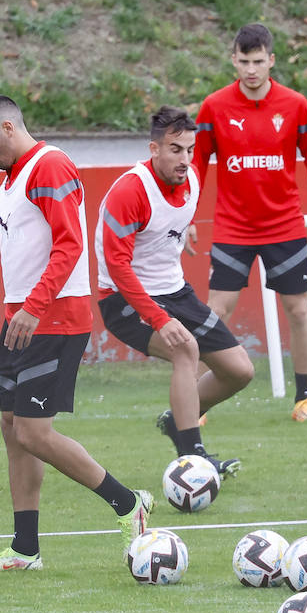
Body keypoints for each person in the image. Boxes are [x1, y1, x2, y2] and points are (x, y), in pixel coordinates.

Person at [0, 95, 154, 573]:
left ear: (8, 127)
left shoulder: (50, 167)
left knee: (33, 432)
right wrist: (19, 311)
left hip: (52, 319)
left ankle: (127, 504)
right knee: (13, 431)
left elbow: (69, 244)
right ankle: (26, 548)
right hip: (21, 318)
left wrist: (34, 305)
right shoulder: (11, 178)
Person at [191, 23, 307, 423]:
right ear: (233, 60)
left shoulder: (295, 105)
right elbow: (195, 165)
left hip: (285, 227)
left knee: (297, 310)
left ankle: (304, 400)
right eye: (244, 62)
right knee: (215, 312)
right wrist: (186, 216)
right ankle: (196, 401)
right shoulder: (213, 107)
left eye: (259, 61)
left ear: (271, 60)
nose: (251, 69)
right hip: (233, 228)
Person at [94, 107, 253, 476]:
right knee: (186, 350)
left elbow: (173, 219)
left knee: (239, 371)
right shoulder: (130, 191)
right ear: (154, 149)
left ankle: (178, 420)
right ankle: (194, 460)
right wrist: (158, 318)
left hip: (176, 291)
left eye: (189, 149)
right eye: (175, 150)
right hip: (123, 299)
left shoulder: (192, 178)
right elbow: (118, 268)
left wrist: (185, 230)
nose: (185, 159)